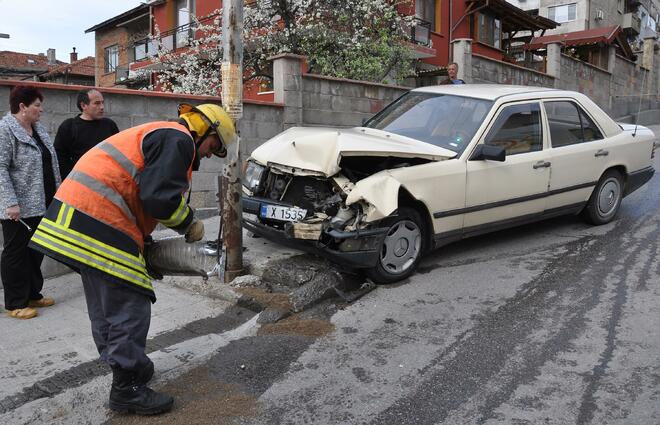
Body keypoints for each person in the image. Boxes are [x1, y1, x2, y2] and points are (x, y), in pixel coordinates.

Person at [29, 103, 236, 415]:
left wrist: (144, 240)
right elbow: (158, 199)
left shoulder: (155, 133)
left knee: (106, 306)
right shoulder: (178, 138)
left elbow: (135, 189)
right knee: (131, 303)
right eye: (213, 146)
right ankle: (127, 387)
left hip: (73, 220)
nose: (209, 154)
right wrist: (188, 222)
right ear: (202, 129)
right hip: (100, 220)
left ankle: (127, 370)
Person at [0, 86, 61, 320]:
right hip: (18, 206)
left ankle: (33, 293)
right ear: (22, 107)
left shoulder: (38, 129)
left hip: (43, 202)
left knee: (36, 250)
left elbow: (50, 162)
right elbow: (1, 168)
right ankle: (15, 302)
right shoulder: (6, 130)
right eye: (37, 105)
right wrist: (10, 202)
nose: (41, 110)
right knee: (16, 253)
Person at [54, 89, 119, 178]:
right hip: (80, 184)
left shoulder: (109, 125)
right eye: (97, 103)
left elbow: (118, 154)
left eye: (102, 102)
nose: (102, 107)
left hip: (107, 183)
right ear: (83, 105)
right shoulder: (69, 127)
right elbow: (60, 158)